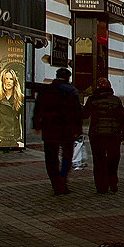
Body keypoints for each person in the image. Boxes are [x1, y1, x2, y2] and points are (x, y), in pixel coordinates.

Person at [31, 67, 83, 195]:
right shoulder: (72, 91)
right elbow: (77, 112)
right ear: (68, 78)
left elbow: (38, 108)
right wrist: (78, 129)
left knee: (50, 157)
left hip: (49, 128)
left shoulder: (46, 90)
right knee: (67, 156)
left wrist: (37, 125)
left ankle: (56, 182)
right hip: (67, 129)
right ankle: (62, 179)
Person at [80, 76, 124, 193]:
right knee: (113, 159)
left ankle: (101, 186)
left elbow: (85, 115)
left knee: (99, 161)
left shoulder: (92, 99)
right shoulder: (115, 100)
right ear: (110, 87)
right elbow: (122, 118)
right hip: (113, 134)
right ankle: (113, 182)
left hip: (97, 135)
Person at [0, 68, 24, 148]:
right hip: (1, 135)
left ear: (14, 81)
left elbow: (23, 120)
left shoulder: (20, 98)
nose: (8, 81)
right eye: (6, 78)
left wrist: (22, 139)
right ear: (2, 81)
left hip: (14, 135)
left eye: (11, 79)